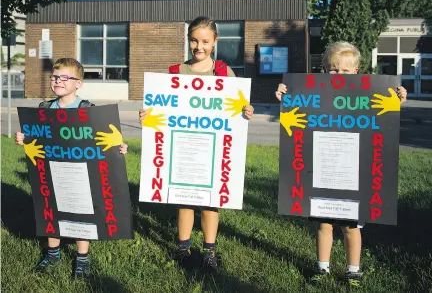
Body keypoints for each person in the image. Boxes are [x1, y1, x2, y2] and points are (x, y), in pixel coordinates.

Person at [275, 41, 407, 287]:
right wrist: (286, 96)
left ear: (356, 71)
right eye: (333, 70)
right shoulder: (313, 94)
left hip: (353, 172)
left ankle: (353, 270)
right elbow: (294, 116)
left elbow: (386, 114)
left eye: (346, 71)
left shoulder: (368, 94)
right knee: (324, 223)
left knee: (351, 226)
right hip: (323, 170)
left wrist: (398, 100)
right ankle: (322, 268)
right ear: (325, 71)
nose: (339, 75)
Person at [139, 16, 254, 272]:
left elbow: (237, 109)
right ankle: (183, 249)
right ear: (188, 40)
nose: (198, 46)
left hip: (212, 149)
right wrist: (147, 116)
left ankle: (209, 251)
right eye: (194, 40)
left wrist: (246, 111)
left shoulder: (224, 73)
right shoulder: (175, 73)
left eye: (204, 41)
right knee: (184, 199)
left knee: (210, 201)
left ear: (214, 42)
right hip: (183, 149)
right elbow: (160, 110)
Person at [15, 58, 128, 279]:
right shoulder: (44, 109)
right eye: (55, 77)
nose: (58, 81)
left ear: (79, 83)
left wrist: (118, 147)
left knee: (82, 212)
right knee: (51, 208)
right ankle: (53, 252)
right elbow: (35, 139)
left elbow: (104, 140)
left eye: (65, 77)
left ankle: (82, 257)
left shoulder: (88, 110)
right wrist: (24, 139)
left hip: (82, 173)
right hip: (52, 172)